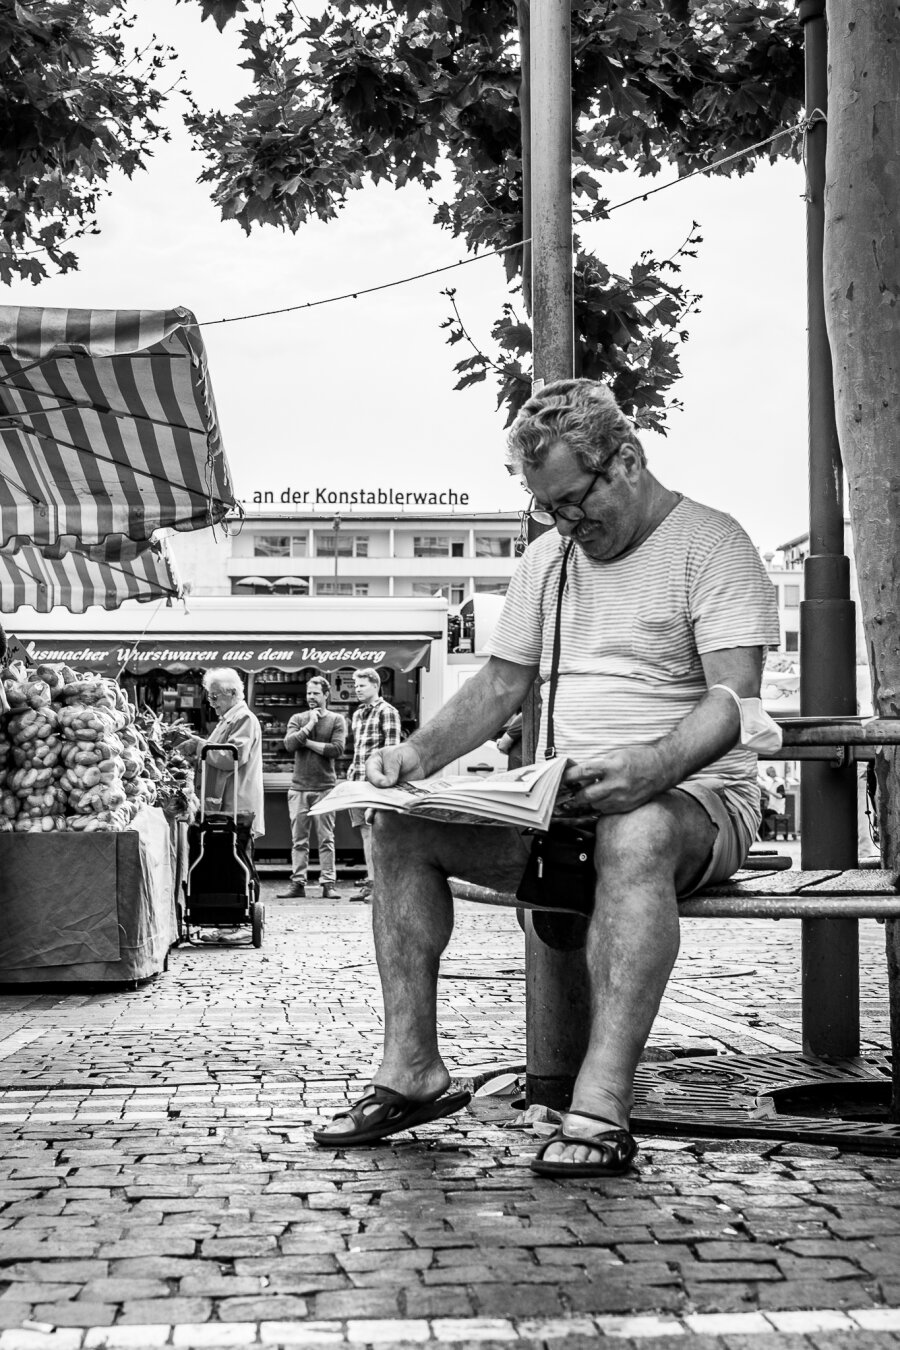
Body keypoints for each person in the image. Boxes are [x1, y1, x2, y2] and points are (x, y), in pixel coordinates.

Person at [313, 378, 779, 1175]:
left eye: (572, 502)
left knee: (637, 827)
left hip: (698, 802)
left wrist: (653, 767)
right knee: (396, 823)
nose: (565, 524)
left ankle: (599, 1107)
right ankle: (412, 1070)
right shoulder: (546, 560)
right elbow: (499, 687)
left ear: (625, 461)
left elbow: (732, 700)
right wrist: (413, 759)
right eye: (548, 510)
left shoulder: (712, 543)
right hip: (559, 805)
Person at [278, 675, 347, 899]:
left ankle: (328, 883)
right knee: (299, 840)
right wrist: (309, 726)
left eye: (316, 693)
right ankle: (298, 883)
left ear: (326, 695)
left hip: (325, 787)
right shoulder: (298, 718)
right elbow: (289, 744)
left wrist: (305, 743)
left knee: (326, 839)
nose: (311, 697)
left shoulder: (337, 720)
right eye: (309, 693)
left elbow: (336, 750)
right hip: (298, 788)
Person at [181, 668, 265, 837]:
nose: (211, 702)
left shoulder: (243, 718)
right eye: (209, 696)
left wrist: (198, 746)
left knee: (237, 856)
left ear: (232, 693)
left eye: (214, 696)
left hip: (234, 805)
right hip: (226, 805)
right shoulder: (229, 719)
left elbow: (233, 757)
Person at [347, 667, 402, 901]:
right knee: (366, 835)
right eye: (356, 686)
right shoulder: (358, 714)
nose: (357, 690)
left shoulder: (387, 712)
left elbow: (392, 753)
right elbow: (358, 750)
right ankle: (371, 883)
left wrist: (385, 788)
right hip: (358, 783)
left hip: (376, 785)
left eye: (362, 685)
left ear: (375, 685)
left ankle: (383, 888)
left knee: (380, 836)